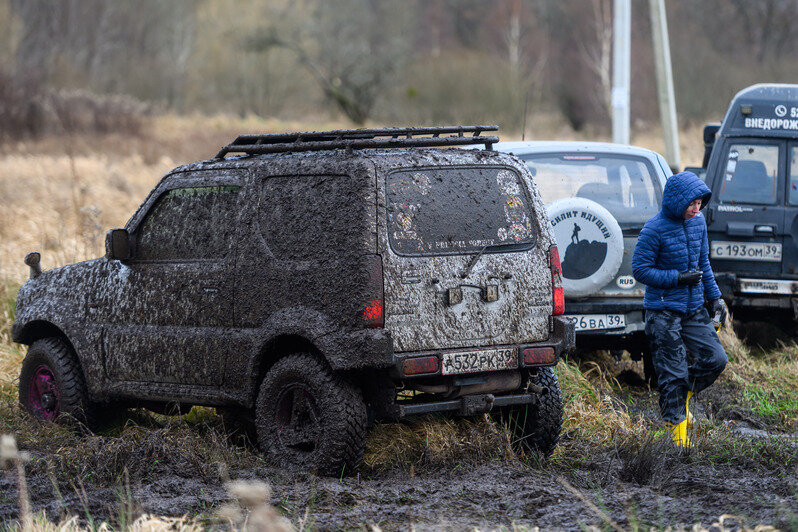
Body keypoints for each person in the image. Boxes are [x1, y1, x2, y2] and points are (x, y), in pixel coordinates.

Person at [632, 171, 728, 448]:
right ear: (676, 201)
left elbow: (703, 264)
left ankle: (682, 394)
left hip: (694, 307)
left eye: (699, 204)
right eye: (691, 204)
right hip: (662, 312)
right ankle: (678, 446)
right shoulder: (654, 229)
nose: (696, 209)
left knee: (717, 359)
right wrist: (677, 278)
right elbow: (640, 269)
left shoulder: (698, 224)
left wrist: (716, 298)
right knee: (671, 375)